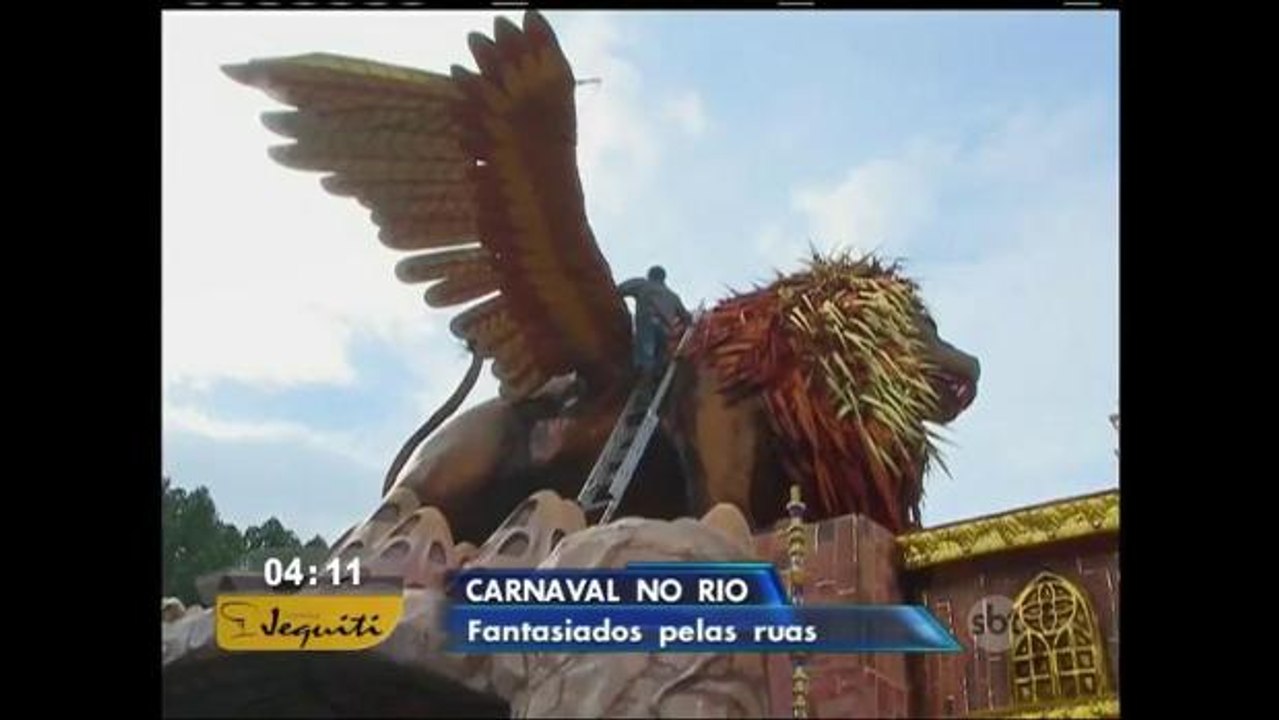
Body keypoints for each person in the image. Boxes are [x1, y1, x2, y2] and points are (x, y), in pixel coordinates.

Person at [618, 265, 693, 379]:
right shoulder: (673, 296)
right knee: (659, 356)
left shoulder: (642, 284)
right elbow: (686, 317)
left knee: (646, 352)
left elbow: (620, 290)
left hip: (647, 323)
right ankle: (655, 377)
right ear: (663, 278)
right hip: (664, 330)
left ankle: (643, 375)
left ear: (650, 275)